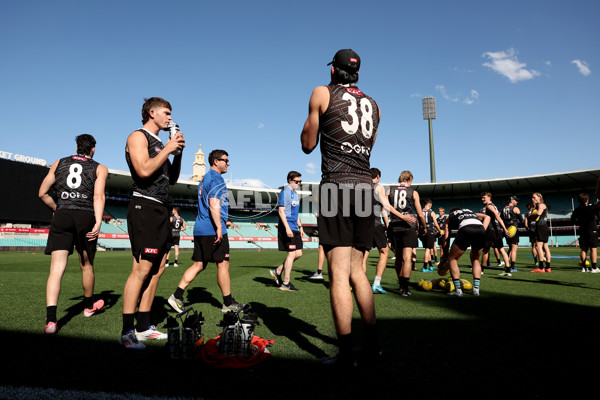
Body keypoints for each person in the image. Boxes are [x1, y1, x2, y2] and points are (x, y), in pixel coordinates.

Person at [300, 48, 381, 367]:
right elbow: (368, 147)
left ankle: (346, 353)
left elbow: (307, 145)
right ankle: (372, 347)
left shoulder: (322, 91)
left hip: (335, 184)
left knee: (338, 275)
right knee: (359, 272)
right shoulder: (374, 105)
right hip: (364, 186)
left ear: (333, 70)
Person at [120, 97, 185, 349]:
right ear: (152, 113)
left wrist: (177, 154)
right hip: (143, 206)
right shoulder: (138, 137)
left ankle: (144, 327)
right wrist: (169, 148)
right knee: (142, 269)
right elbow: (144, 171)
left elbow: (172, 180)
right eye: (166, 113)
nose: (169, 117)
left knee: (158, 269)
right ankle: (127, 332)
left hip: (161, 208)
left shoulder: (161, 142)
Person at [39, 134, 108, 334]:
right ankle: (88, 307)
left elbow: (42, 192)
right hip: (85, 215)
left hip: (62, 214)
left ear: (76, 147)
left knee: (56, 269)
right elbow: (98, 195)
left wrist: (56, 208)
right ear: (92, 149)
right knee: (86, 265)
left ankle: (51, 321)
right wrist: (97, 221)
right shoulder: (99, 167)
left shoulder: (59, 162)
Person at [167, 150, 248, 314]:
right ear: (216, 161)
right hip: (212, 228)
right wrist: (219, 226)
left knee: (199, 264)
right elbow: (213, 202)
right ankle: (228, 303)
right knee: (223, 264)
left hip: (201, 227)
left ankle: (176, 296)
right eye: (226, 160)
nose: (228, 163)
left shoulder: (205, 179)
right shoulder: (216, 178)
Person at [364, 168, 408, 294]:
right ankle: (376, 284)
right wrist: (402, 216)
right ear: (378, 176)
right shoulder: (379, 187)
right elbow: (386, 207)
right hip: (375, 223)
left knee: (364, 254)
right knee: (384, 252)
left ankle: (359, 284)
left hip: (361, 225)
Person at [388, 171, 424, 296]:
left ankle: (400, 284)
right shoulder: (413, 192)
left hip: (395, 225)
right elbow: (420, 213)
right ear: (409, 179)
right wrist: (423, 226)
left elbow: (386, 207)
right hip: (408, 226)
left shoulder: (390, 191)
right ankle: (405, 287)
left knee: (398, 257)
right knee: (407, 257)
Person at [441, 208, 491, 296]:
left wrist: (445, 255)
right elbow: (487, 217)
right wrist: (482, 229)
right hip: (480, 229)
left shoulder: (450, 216)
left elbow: (446, 238)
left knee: (452, 259)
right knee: (475, 259)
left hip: (466, 229)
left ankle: (458, 290)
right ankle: (476, 290)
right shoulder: (471, 211)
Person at [270, 171, 304, 291]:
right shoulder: (285, 192)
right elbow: (281, 211)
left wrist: (300, 226)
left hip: (295, 227)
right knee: (291, 254)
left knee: (298, 253)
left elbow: (296, 212)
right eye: (296, 181)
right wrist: (287, 228)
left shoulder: (295, 194)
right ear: (290, 180)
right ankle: (286, 282)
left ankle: (278, 270)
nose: (299, 183)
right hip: (287, 227)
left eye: (300, 181)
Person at [479, 192, 511, 276]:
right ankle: (508, 270)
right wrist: (503, 229)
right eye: (482, 198)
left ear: (489, 197)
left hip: (491, 231)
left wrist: (505, 228)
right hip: (497, 230)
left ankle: (481, 269)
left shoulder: (489, 206)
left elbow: (497, 216)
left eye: (484, 197)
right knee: (502, 250)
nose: (482, 199)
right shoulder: (494, 206)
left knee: (485, 250)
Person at [570, 189, 600, 273]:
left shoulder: (576, 210)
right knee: (593, 249)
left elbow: (572, 221)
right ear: (587, 200)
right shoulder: (592, 207)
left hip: (582, 230)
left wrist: (580, 222)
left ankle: (584, 267)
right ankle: (594, 268)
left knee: (584, 249)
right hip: (591, 230)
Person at [529, 193, 552, 273]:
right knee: (545, 247)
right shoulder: (541, 205)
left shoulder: (541, 205)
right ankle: (548, 267)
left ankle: (541, 267)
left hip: (541, 227)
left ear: (539, 198)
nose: (532, 199)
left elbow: (538, 213)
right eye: (532, 197)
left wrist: (530, 215)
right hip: (544, 226)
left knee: (539, 247)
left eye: (534, 197)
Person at [501, 196, 521, 273]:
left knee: (510, 248)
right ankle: (512, 267)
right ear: (512, 201)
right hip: (513, 230)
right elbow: (521, 219)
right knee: (514, 249)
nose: (517, 202)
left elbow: (501, 219)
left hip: (506, 230)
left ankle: (507, 265)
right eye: (516, 201)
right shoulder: (515, 208)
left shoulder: (504, 209)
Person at [420, 198, 441, 272]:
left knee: (427, 248)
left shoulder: (420, 211)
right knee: (428, 249)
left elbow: (417, 223)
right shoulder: (431, 212)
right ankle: (425, 267)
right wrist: (439, 231)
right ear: (430, 204)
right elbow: (435, 223)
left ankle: (431, 266)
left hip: (422, 231)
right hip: (429, 231)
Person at [524, 202, 539, 267]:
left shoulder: (527, 213)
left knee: (533, 246)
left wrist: (527, 228)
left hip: (531, 229)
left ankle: (536, 261)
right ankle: (542, 258)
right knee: (539, 245)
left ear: (529, 206)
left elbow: (525, 224)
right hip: (537, 228)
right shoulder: (537, 211)